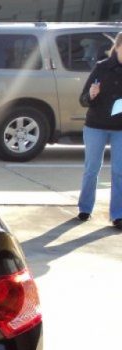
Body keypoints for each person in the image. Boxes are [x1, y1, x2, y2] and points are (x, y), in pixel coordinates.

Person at [78, 32, 122, 229]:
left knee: (119, 171)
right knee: (91, 169)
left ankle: (118, 214)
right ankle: (85, 208)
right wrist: (91, 94)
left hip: (120, 128)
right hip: (96, 125)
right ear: (119, 46)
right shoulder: (102, 67)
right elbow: (83, 100)